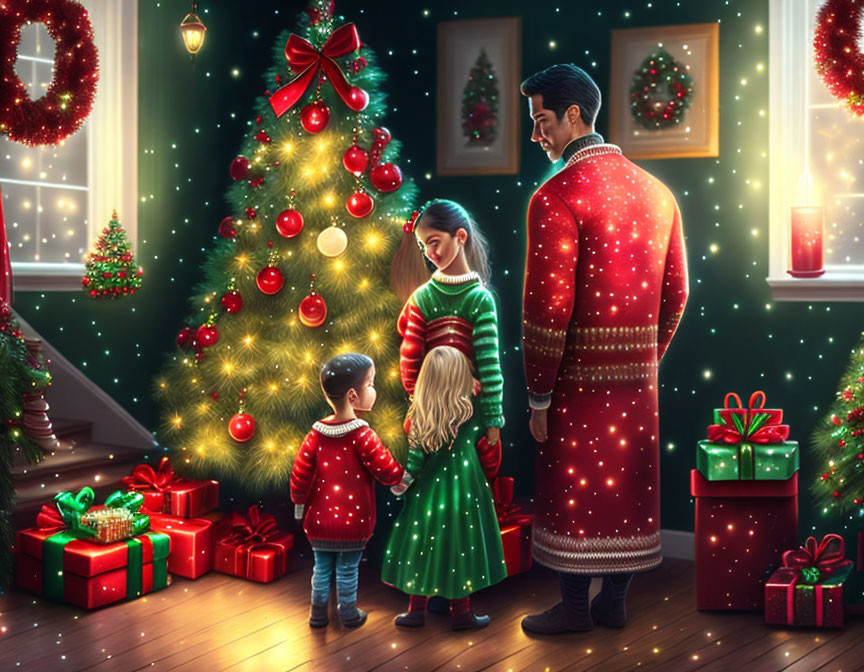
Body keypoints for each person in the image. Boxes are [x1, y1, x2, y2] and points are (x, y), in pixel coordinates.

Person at [519, 64, 689, 634]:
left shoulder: (555, 197)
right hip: (637, 383)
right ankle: (614, 602)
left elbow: (546, 311)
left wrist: (538, 391)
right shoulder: (658, 193)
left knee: (576, 487)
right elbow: (678, 292)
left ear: (573, 116)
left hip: (573, 381)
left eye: (542, 121)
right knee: (626, 488)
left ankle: (573, 607)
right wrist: (647, 358)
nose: (536, 135)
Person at [381, 346, 507, 630]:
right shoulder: (472, 412)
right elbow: (489, 442)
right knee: (462, 545)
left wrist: (403, 483)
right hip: (465, 489)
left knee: (421, 545)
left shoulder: (419, 417)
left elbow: (413, 461)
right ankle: (462, 614)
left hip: (427, 494)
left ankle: (416, 611)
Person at [290, 353, 404, 629]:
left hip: (319, 520)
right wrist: (399, 480)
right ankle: (349, 614)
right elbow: (384, 465)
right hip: (353, 521)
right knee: (348, 569)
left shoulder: (315, 434)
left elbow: (300, 473)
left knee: (321, 569)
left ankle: (317, 615)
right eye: (371, 384)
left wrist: (299, 502)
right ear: (353, 395)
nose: (374, 390)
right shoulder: (362, 434)